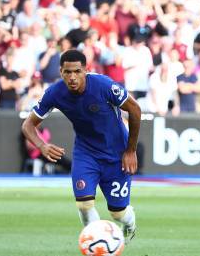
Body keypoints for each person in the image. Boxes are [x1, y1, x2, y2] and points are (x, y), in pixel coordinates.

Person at [21, 49, 141, 242]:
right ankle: (99, 243)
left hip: (117, 153)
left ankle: (130, 223)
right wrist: (42, 146)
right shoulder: (54, 93)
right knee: (84, 205)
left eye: (77, 71)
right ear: (61, 72)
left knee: (118, 213)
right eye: (67, 72)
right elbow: (28, 124)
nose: (72, 77)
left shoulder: (104, 85)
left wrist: (130, 150)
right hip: (86, 153)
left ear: (86, 70)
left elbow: (135, 109)